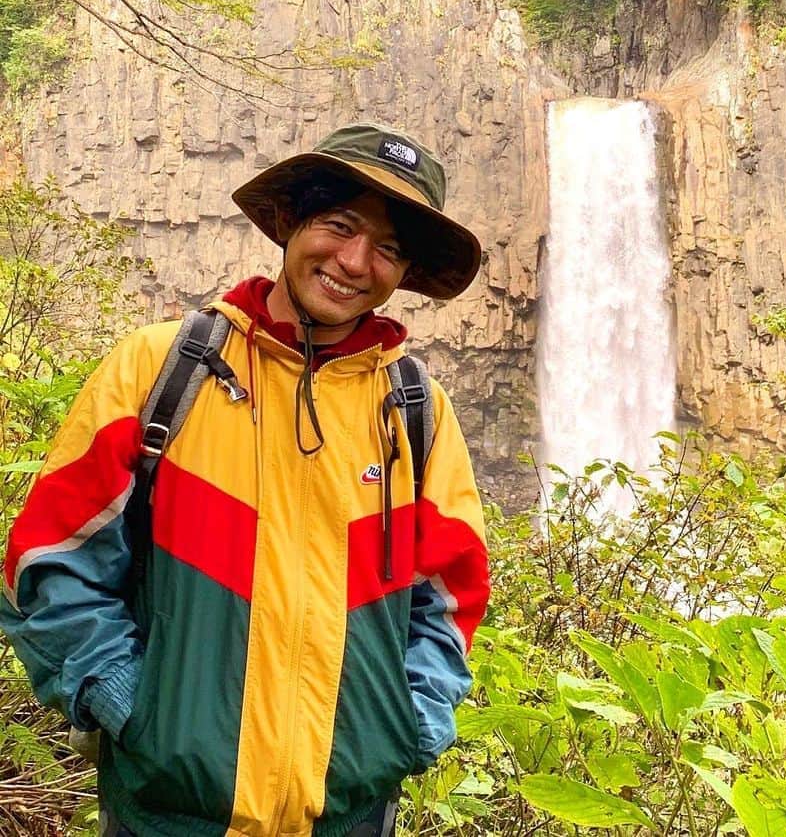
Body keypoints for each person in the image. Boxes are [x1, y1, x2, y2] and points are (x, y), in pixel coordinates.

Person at [1, 123, 491, 837]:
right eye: (339, 225)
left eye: (387, 248)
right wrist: (128, 705)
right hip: (168, 810)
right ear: (292, 223)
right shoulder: (163, 369)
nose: (355, 262)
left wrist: (410, 724)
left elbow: (450, 594)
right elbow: (50, 557)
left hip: (350, 811)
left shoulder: (416, 412)